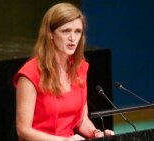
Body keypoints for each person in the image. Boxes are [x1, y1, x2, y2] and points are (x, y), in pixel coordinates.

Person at [13, 2, 114, 141]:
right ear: (50, 34)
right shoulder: (30, 74)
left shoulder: (80, 69)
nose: (72, 38)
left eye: (77, 31)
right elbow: (23, 131)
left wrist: (96, 133)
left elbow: (81, 120)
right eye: (66, 31)